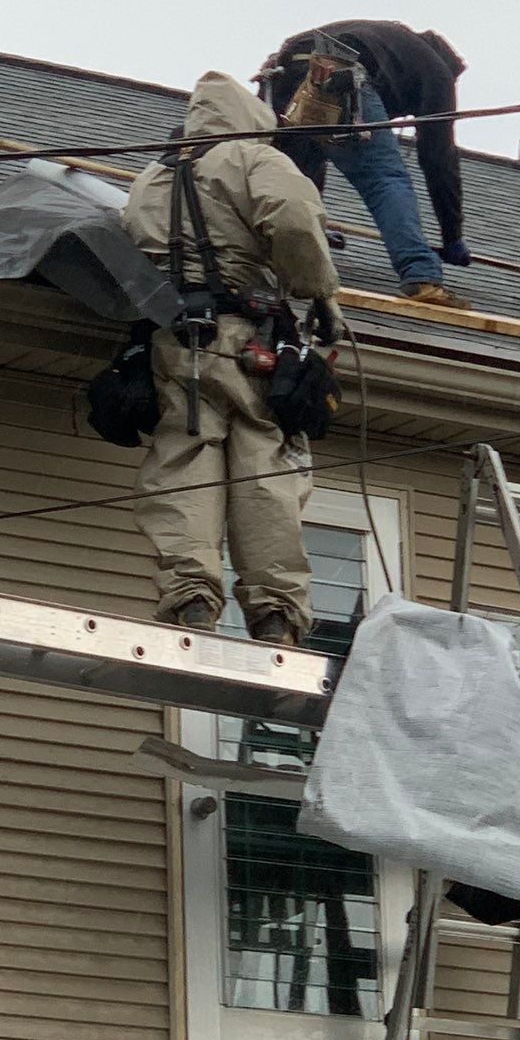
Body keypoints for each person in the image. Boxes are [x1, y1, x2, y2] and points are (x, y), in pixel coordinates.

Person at [120, 70, 343, 641]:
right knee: (264, 467)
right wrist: (318, 293)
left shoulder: (151, 178)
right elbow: (293, 217)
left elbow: (132, 251)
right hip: (248, 337)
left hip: (176, 341)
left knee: (185, 462)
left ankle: (191, 599)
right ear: (251, 121)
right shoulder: (251, 158)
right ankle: (274, 613)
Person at [257, 19, 470, 304]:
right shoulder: (438, 72)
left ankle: (270, 246)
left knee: (285, 168)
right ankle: (421, 276)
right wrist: (452, 234)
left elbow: (311, 155)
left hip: (283, 73)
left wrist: (312, 225)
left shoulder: (389, 41)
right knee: (384, 178)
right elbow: (438, 158)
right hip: (338, 75)